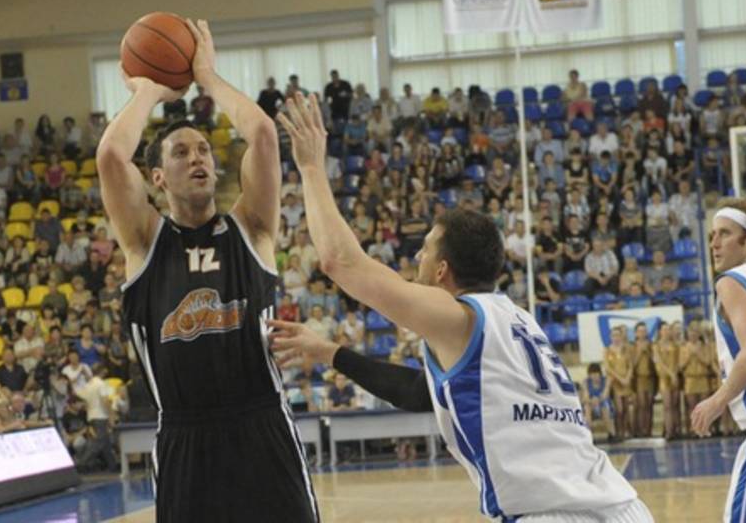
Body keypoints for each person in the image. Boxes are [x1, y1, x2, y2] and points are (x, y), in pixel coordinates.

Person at [272, 92, 651, 521]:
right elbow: (419, 393)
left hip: (556, 513)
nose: (417, 257)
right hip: (622, 507)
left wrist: (310, 168)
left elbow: (340, 263)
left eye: (425, 249)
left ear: (442, 271)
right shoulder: (515, 319)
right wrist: (328, 352)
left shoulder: (459, 317)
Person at [97, 19, 316, 522]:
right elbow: (110, 155)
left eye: (203, 151)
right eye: (181, 152)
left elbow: (263, 135)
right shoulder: (144, 240)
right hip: (184, 435)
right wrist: (149, 92)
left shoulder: (251, 228)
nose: (197, 158)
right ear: (157, 177)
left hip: (261, 424)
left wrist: (208, 77)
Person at [691, 199, 746, 522]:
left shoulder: (733, 279)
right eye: (712, 235)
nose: (714, 243)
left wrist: (717, 401)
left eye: (725, 234)